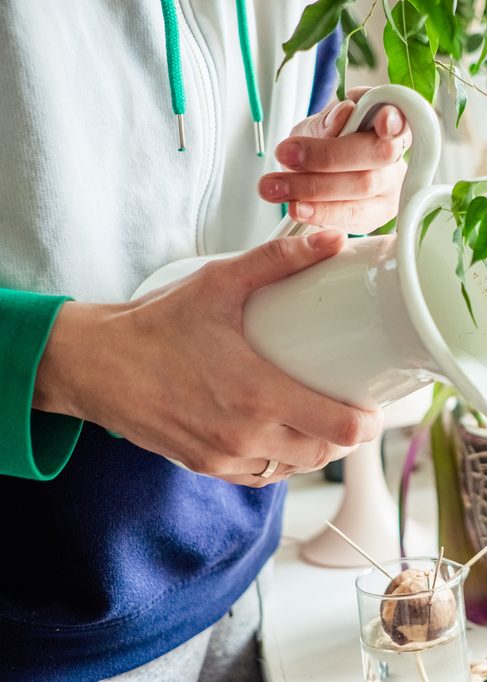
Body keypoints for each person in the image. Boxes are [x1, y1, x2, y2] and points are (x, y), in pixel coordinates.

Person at [0, 3, 410, 679]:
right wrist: (65, 361)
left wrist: (348, 188)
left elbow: (266, 185)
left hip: (247, 562)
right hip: (39, 627)